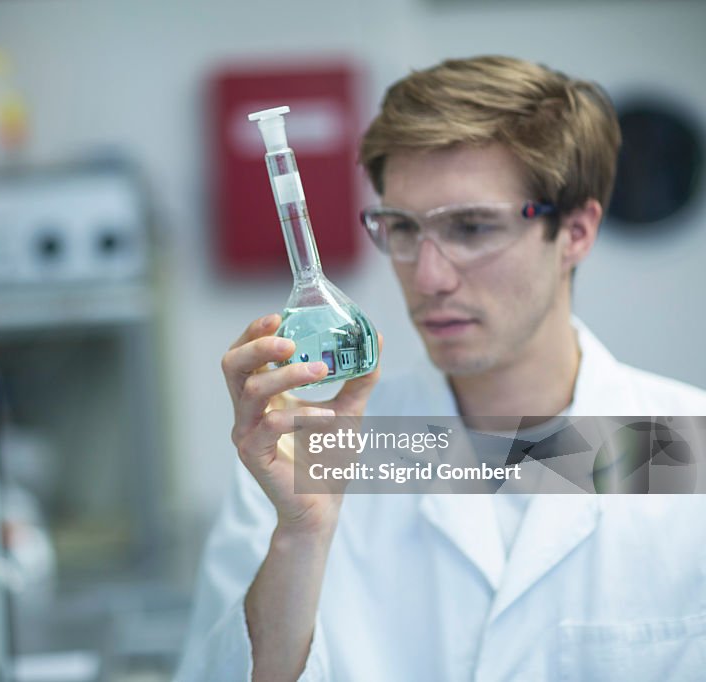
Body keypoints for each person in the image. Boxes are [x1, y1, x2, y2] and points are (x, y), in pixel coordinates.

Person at [175, 55, 706, 682]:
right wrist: (299, 539)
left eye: (474, 227)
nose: (428, 278)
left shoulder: (681, 444)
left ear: (576, 231)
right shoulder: (311, 450)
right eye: (400, 228)